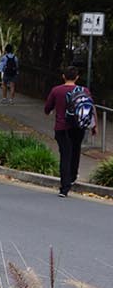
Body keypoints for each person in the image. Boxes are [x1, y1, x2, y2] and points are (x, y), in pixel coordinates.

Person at [43, 66, 98, 197]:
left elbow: (47, 108)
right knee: (75, 150)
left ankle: (64, 187)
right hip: (79, 127)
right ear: (77, 77)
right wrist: (94, 126)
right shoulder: (84, 90)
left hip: (62, 128)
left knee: (65, 155)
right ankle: (73, 177)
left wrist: (50, 111)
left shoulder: (56, 90)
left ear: (63, 76)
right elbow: (91, 108)